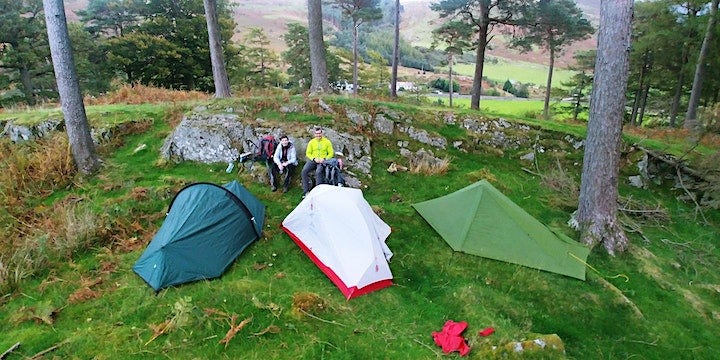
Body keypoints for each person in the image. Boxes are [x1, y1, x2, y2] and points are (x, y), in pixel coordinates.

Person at [301, 126, 334, 197]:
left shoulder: (327, 142)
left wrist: (324, 159)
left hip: (322, 161)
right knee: (304, 171)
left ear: (322, 133)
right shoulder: (311, 142)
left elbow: (331, 153)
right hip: (313, 160)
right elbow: (308, 153)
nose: (318, 135)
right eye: (317, 134)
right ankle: (306, 191)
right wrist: (313, 158)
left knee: (318, 172)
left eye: (319, 133)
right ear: (314, 134)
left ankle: (318, 192)